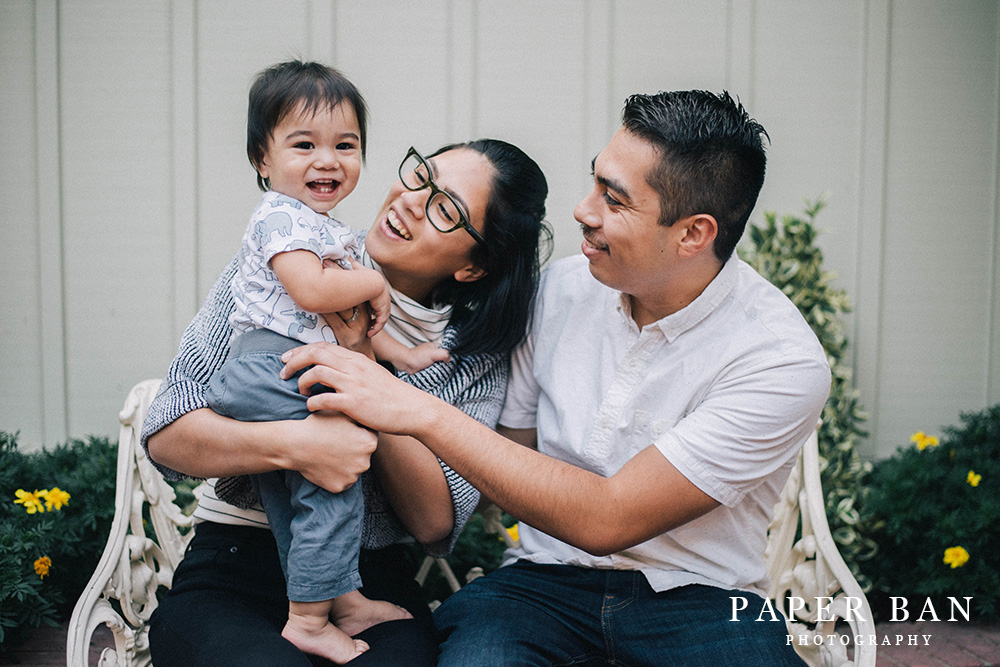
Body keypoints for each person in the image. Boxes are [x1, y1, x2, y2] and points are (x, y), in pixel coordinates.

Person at [278, 90, 832, 666]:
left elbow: (607, 518)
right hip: (540, 586)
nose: (583, 211)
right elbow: (504, 464)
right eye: (595, 181)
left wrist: (415, 410)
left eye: (614, 201)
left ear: (693, 234)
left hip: (706, 602)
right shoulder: (560, 291)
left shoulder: (779, 359)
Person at [142, 134, 550, 666]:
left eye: (444, 208)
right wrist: (295, 445)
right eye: (420, 175)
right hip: (237, 561)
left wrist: (364, 365)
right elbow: (168, 436)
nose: (410, 200)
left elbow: (434, 524)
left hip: (369, 581)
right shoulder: (295, 260)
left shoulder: (468, 355)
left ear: (473, 267)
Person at [207, 59, 456, 663]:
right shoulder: (280, 218)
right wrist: (372, 285)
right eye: (303, 144)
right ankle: (314, 617)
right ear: (262, 161)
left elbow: (354, 334)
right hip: (272, 369)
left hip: (294, 364)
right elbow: (315, 296)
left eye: (346, 145)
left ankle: (329, 600)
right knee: (335, 472)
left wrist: (404, 353)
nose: (328, 159)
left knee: (299, 491)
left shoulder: (325, 228)